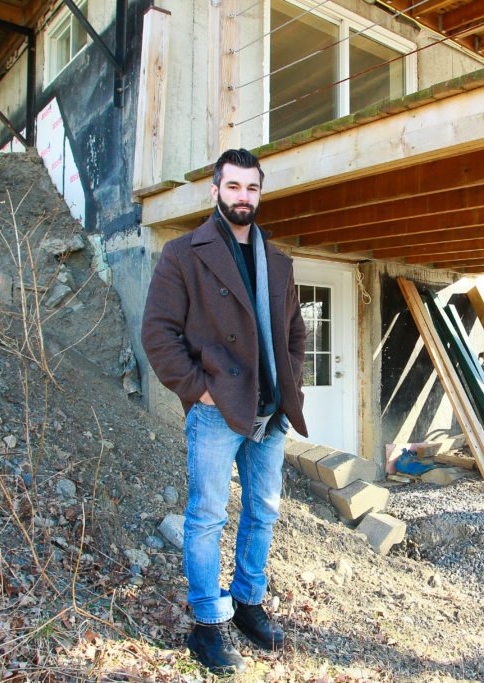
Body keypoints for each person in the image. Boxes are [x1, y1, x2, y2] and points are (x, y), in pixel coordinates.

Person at [141, 148, 307, 675]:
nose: (243, 197)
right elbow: (158, 334)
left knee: (264, 513)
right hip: (216, 413)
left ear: (260, 193)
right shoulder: (183, 253)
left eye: (251, 188)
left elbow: (296, 333)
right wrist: (199, 390)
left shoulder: (276, 261)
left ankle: (248, 603)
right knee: (207, 518)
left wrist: (289, 383)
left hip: (269, 415)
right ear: (215, 190)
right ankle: (208, 625)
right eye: (233, 187)